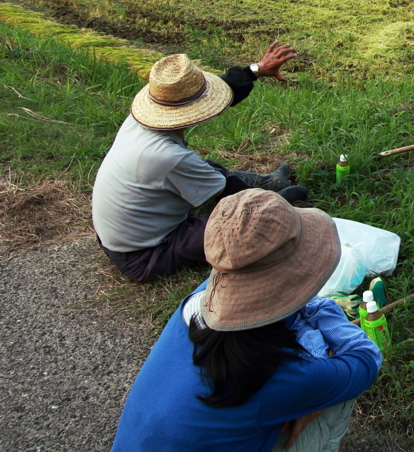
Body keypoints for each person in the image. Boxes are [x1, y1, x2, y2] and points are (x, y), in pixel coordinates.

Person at [113, 189, 382, 452]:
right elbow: (365, 359)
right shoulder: (273, 374)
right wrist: (318, 394)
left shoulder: (200, 300)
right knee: (339, 396)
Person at [93, 41, 309, 283]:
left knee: (206, 170)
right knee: (239, 224)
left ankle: (269, 183)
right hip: (145, 256)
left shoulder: (139, 121)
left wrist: (255, 69)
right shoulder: (167, 157)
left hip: (121, 235)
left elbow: (218, 91)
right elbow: (234, 197)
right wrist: (269, 207)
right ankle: (275, 198)